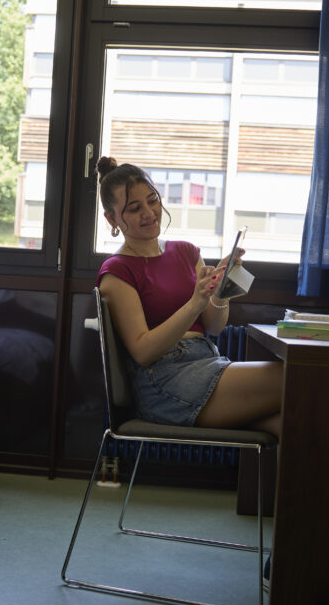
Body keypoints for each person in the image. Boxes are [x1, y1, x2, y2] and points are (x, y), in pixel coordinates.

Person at [95, 156, 283, 438]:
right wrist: (195, 302)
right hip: (164, 381)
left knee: (294, 423)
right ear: (111, 218)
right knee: (296, 378)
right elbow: (144, 352)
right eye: (134, 208)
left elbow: (215, 326)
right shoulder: (117, 271)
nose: (149, 212)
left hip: (208, 361)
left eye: (152, 200)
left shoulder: (186, 251)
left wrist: (221, 289)